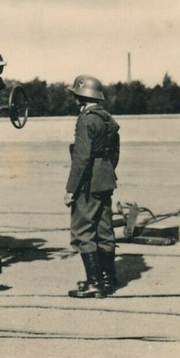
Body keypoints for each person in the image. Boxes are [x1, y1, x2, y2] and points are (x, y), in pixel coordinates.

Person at [64, 74, 121, 298]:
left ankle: (94, 282)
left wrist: (71, 189)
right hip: (105, 179)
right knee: (104, 229)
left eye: (76, 95)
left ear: (81, 96)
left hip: (88, 182)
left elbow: (81, 158)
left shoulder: (86, 119)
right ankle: (108, 279)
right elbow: (115, 153)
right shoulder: (107, 118)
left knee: (82, 230)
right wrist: (106, 171)